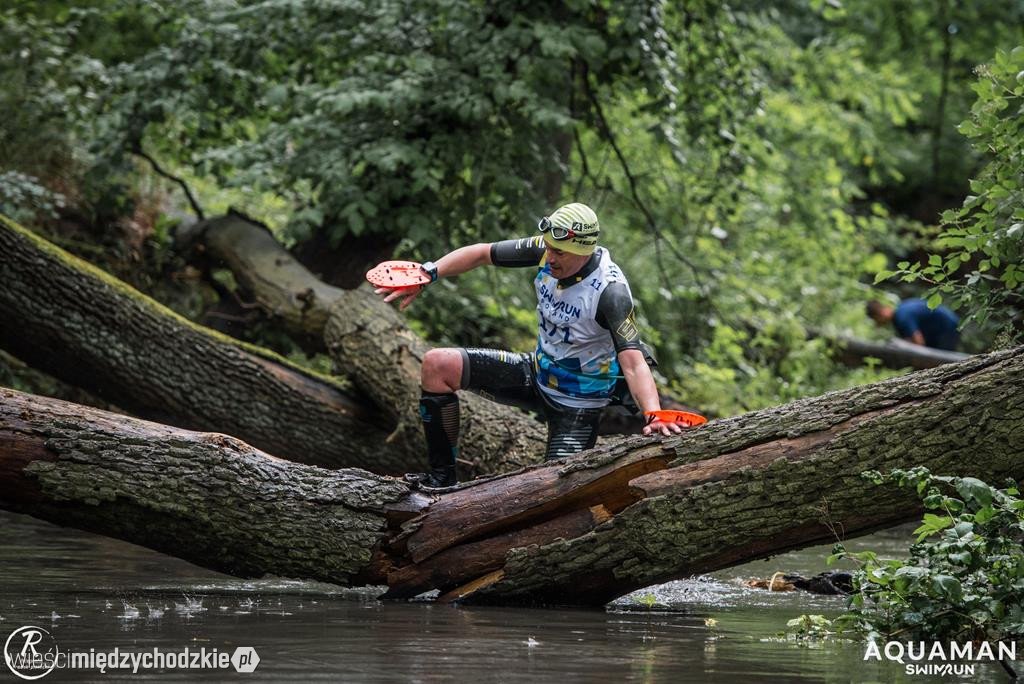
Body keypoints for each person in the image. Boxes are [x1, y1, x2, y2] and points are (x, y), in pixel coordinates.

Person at [376, 202, 687, 487]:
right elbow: (483, 253)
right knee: (436, 364)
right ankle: (441, 478)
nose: (550, 258)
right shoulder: (546, 249)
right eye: (549, 248)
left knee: (551, 492)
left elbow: (633, 361)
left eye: (560, 253)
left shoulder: (610, 292)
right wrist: (429, 272)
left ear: (585, 249)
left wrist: (654, 413)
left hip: (577, 405)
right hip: (535, 373)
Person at [866, 298, 960, 351]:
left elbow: (919, 343)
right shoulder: (899, 316)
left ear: (879, 315)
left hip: (948, 327)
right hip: (939, 331)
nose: (877, 324)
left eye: (876, 320)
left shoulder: (902, 317)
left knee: (944, 364)